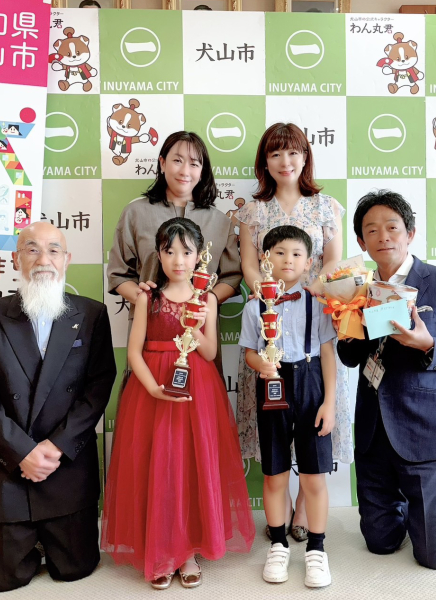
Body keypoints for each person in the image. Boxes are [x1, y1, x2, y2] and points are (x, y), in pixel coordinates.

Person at [101, 218, 254, 589]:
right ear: (159, 254)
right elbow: (134, 351)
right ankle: (161, 550)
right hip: (150, 391)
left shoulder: (208, 300)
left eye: (186, 252)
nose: (178, 260)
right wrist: (152, 388)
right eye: (169, 251)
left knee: (190, 467)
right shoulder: (147, 297)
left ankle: (187, 551)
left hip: (197, 393)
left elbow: (210, 352)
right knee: (157, 468)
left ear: (200, 255)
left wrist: (196, 325)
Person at [0, 222, 116, 593]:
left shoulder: (92, 315)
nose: (43, 259)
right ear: (16, 259)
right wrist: (22, 452)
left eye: (53, 250)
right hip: (7, 465)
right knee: (1, 580)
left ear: (67, 259)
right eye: (32, 249)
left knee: (76, 569)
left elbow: (98, 386)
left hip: (65, 463)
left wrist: (56, 446)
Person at [338, 189, 436, 570]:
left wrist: (428, 344)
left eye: (392, 227)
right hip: (374, 427)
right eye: (371, 230)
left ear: (409, 233)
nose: (383, 237)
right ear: (361, 242)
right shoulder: (355, 290)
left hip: (426, 427)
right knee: (380, 543)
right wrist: (348, 332)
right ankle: (422, 500)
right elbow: (350, 358)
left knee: (434, 558)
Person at [236, 122, 352, 542]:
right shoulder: (251, 212)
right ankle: (279, 516)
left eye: (292, 153)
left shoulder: (326, 207)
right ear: (264, 162)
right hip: (270, 324)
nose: (285, 161)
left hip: (314, 323)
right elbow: (249, 265)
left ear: (305, 157)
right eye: (275, 154)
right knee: (276, 429)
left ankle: (304, 510)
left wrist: (309, 292)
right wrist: (268, 295)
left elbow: (333, 263)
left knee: (314, 426)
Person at [239, 225, 336, 587]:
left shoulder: (319, 303)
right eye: (279, 253)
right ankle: (278, 545)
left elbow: (328, 353)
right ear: (265, 259)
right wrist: (261, 364)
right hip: (272, 386)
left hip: (311, 384)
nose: (288, 260)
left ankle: (317, 549)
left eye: (297, 254)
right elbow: (249, 352)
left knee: (314, 475)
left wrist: (329, 402)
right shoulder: (254, 306)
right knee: (275, 473)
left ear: (309, 262)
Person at [107, 131, 241, 321]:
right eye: (177, 161)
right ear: (162, 163)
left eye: (194, 164)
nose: (185, 171)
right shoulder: (134, 213)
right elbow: (118, 274)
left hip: (201, 326)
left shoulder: (221, 222)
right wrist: (145, 299)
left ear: (202, 171)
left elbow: (231, 277)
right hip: (149, 324)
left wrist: (205, 301)